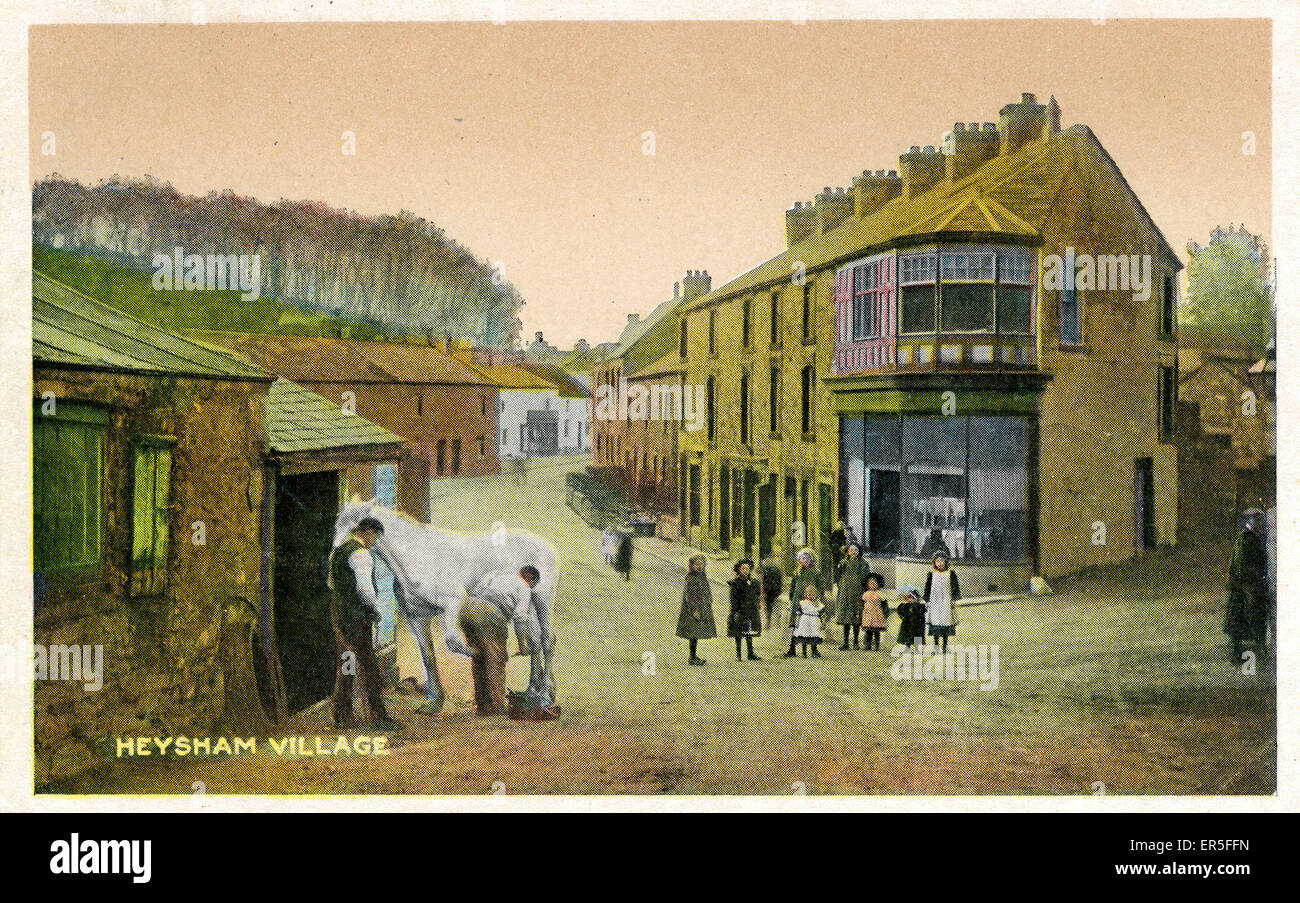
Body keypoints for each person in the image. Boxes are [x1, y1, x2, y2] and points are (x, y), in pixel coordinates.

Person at [329, 517, 401, 731]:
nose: (375, 541)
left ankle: (342, 715)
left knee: (347, 663)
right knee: (369, 667)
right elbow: (365, 591)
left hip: (340, 616)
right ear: (368, 532)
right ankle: (379, 717)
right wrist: (377, 611)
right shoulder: (361, 554)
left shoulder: (338, 552)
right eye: (376, 536)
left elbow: (331, 584)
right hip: (357, 620)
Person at [471, 565, 554, 710]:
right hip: (492, 616)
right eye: (532, 585)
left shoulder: (496, 573)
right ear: (530, 578)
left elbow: (477, 592)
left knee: (479, 658)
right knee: (497, 660)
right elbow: (520, 617)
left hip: (471, 611)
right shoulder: (523, 587)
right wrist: (523, 645)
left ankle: (483, 704)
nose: (531, 588)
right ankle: (496, 707)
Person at [1225, 509, 1270, 663]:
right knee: (1245, 618)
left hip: (1240, 585)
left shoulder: (1243, 538)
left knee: (1239, 619)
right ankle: (1244, 652)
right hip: (1245, 585)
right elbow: (1246, 563)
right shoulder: (1248, 540)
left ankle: (1241, 651)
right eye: (1254, 521)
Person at [677, 554, 717, 665]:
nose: (699, 566)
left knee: (696, 633)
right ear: (692, 566)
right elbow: (688, 596)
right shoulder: (691, 578)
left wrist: (709, 600)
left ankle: (693, 656)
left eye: (701, 564)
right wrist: (694, 610)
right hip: (693, 610)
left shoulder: (702, 576)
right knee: (693, 633)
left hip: (701, 608)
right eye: (697, 564)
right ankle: (692, 657)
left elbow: (707, 591)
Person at [783, 549, 824, 657]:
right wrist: (792, 600)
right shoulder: (797, 573)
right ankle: (792, 648)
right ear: (799, 560)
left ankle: (814, 649)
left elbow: (820, 587)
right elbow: (792, 588)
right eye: (802, 558)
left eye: (807, 559)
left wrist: (817, 598)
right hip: (797, 601)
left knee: (811, 625)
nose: (804, 561)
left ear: (811, 560)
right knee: (796, 625)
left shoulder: (815, 573)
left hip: (810, 602)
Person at [924, 552, 960, 653]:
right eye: (937, 561)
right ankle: (936, 646)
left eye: (942, 561)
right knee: (935, 623)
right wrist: (927, 600)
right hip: (934, 602)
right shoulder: (931, 575)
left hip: (946, 602)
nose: (940, 563)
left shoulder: (950, 574)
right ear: (934, 562)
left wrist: (954, 599)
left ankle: (945, 646)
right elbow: (927, 588)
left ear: (946, 562)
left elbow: (955, 587)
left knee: (945, 622)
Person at [727, 559, 763, 661]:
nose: (745, 570)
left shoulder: (753, 582)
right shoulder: (736, 583)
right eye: (743, 569)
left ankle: (750, 653)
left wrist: (757, 603)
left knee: (749, 631)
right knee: (739, 632)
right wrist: (735, 610)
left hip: (751, 609)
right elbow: (733, 598)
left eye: (747, 568)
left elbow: (757, 594)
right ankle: (738, 654)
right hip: (740, 610)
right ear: (739, 570)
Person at [835, 543, 867, 649]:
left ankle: (856, 642)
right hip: (845, 593)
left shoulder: (863, 563)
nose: (853, 552)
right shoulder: (844, 562)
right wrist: (840, 584)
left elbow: (865, 576)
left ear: (859, 551)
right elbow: (838, 573)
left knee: (856, 619)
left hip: (857, 593)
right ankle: (845, 642)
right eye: (851, 550)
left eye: (855, 550)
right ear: (848, 551)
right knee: (846, 619)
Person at [791, 584, 825, 657]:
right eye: (809, 594)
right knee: (804, 635)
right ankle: (804, 652)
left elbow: (822, 611)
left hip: (814, 621)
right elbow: (798, 612)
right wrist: (797, 620)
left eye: (813, 594)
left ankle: (814, 651)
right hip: (805, 621)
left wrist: (822, 620)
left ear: (816, 595)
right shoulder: (802, 603)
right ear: (805, 594)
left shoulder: (817, 603)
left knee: (814, 635)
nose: (811, 596)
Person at [860, 572, 887, 651]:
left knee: (876, 631)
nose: (872, 585)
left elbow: (884, 604)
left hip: (876, 614)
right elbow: (862, 602)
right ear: (867, 585)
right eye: (870, 584)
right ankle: (867, 645)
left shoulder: (880, 594)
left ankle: (877, 645)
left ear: (878, 584)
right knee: (868, 631)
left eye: (874, 583)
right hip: (868, 614)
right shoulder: (866, 594)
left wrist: (885, 613)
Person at [895, 585, 926, 650]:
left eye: (911, 598)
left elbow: (922, 612)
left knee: (917, 636)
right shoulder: (904, 606)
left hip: (917, 625)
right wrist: (902, 617)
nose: (909, 600)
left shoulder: (919, 606)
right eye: (908, 598)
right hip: (907, 624)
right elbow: (900, 611)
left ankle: (917, 648)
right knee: (907, 636)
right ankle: (907, 647)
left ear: (915, 599)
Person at [760, 546, 785, 623]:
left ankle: (769, 621)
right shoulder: (778, 563)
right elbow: (781, 576)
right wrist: (782, 586)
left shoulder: (765, 563)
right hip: (775, 587)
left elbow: (763, 577)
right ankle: (776, 621)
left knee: (769, 605)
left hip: (769, 587)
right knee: (776, 604)